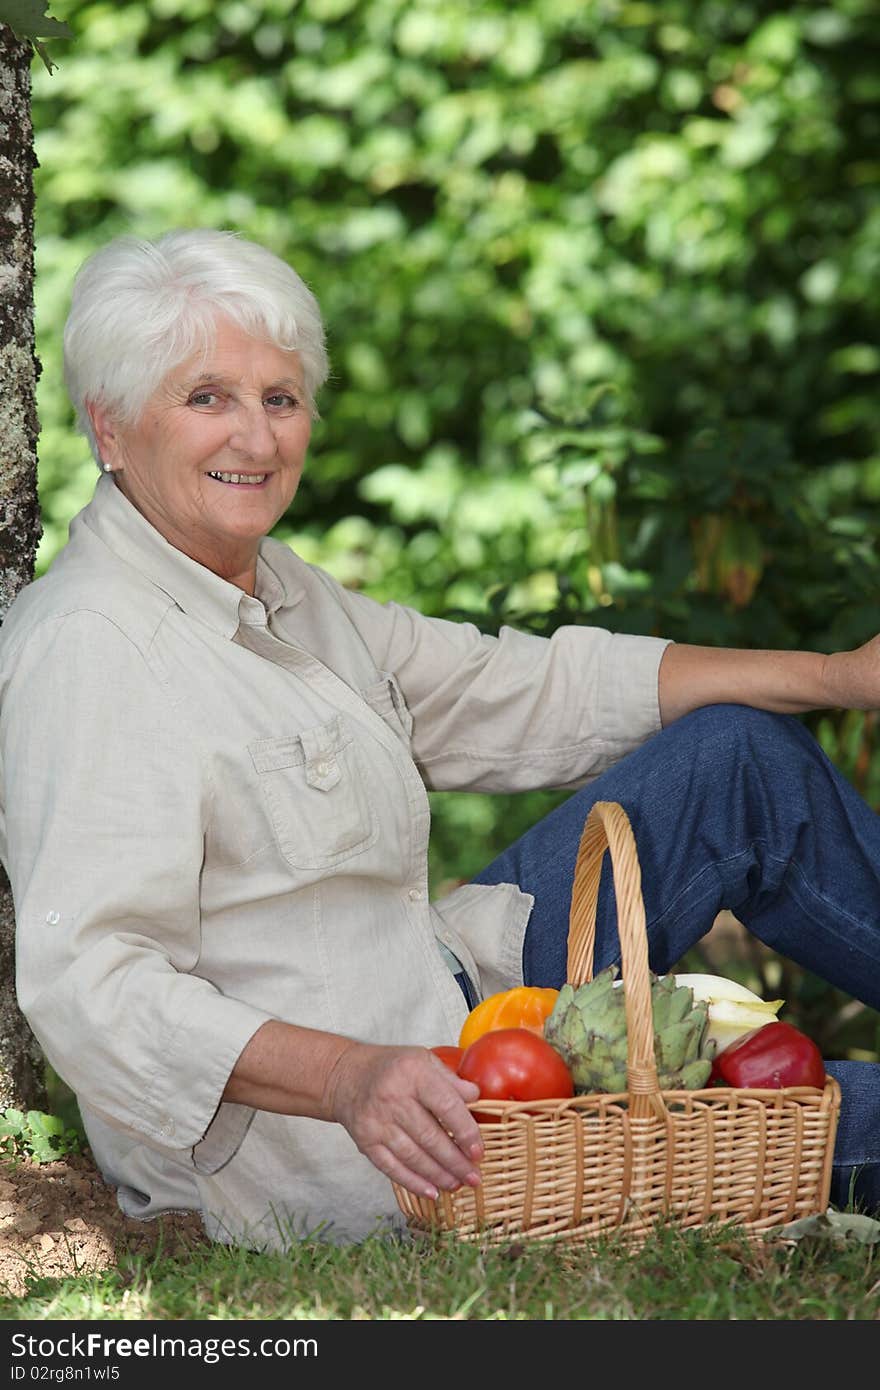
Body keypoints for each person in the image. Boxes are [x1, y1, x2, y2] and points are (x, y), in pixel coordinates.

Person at [0, 229, 878, 1252]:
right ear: (110, 428)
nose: (256, 437)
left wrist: (835, 681)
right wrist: (349, 1075)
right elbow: (91, 984)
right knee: (831, 1118)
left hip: (460, 1001)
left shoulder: (276, 588)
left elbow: (510, 687)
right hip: (372, 1140)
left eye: (280, 399)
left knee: (735, 758)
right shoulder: (92, 648)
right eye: (207, 398)